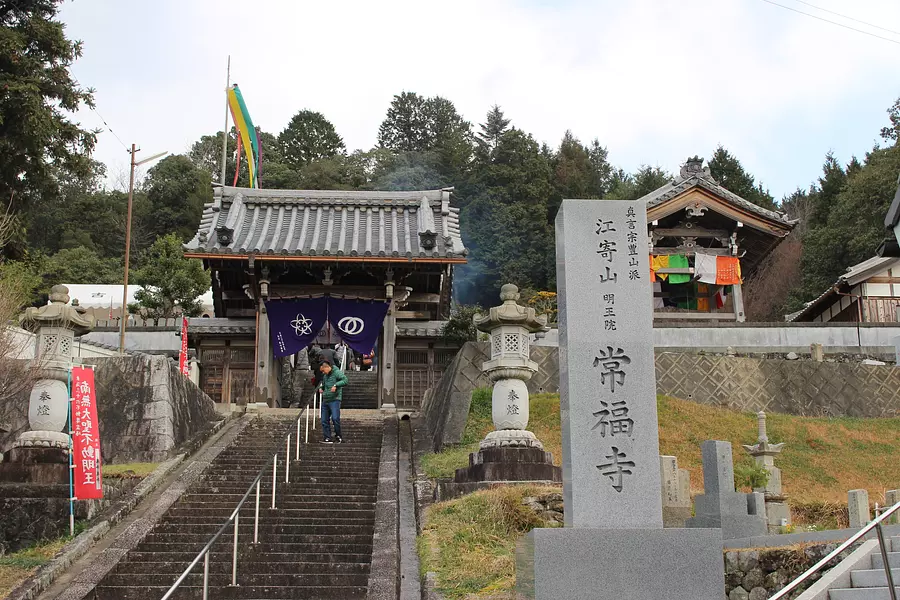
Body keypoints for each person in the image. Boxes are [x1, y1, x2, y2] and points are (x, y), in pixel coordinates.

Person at [317, 359, 348, 443]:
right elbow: (324, 385)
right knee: (324, 420)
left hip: (335, 399)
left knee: (335, 418)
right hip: (326, 399)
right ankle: (327, 437)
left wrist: (336, 385)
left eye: (324, 370)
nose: (324, 372)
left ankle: (338, 435)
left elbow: (345, 380)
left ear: (327, 367)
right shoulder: (325, 376)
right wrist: (321, 388)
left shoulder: (337, 372)